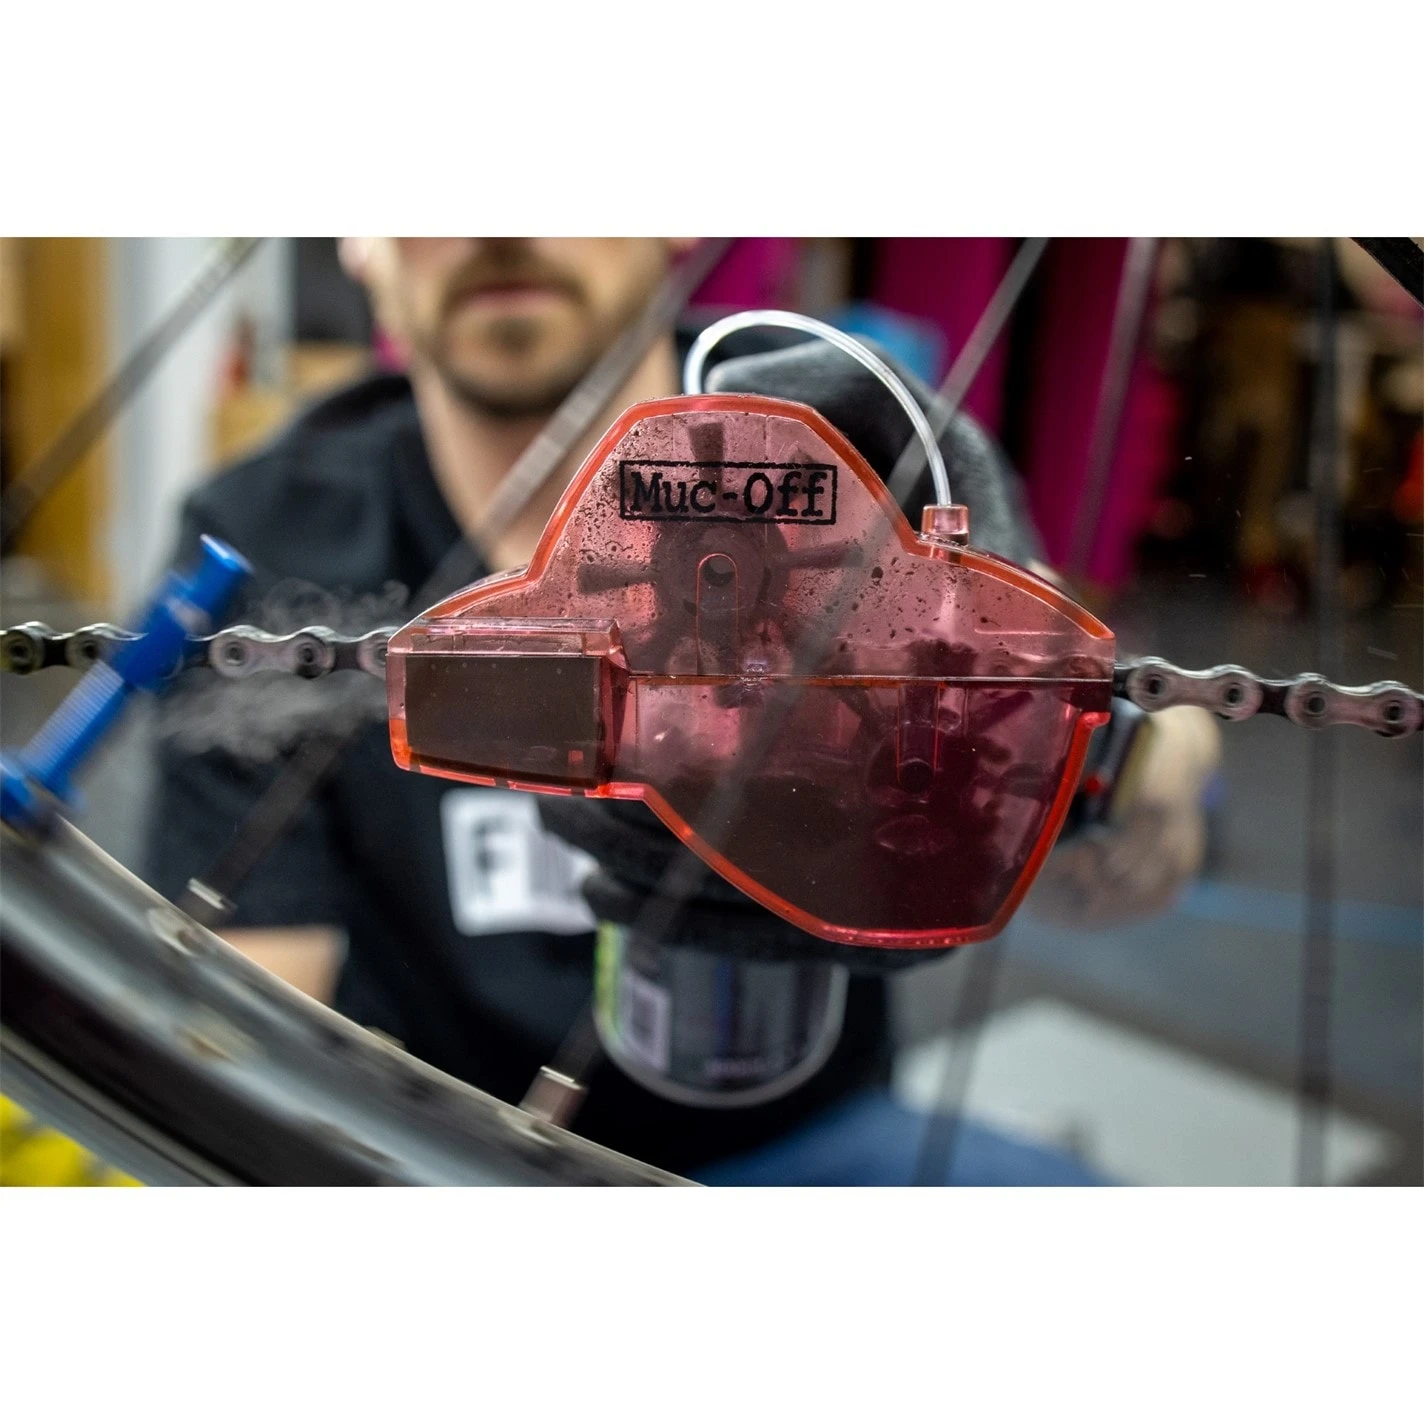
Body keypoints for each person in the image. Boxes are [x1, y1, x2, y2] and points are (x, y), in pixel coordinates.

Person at [145, 238, 1217, 1179]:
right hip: (449, 1155)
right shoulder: (267, 540)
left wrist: (1130, 764)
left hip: (810, 1141)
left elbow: (1115, 820)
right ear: (357, 239)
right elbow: (254, 1015)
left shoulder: (863, 444)